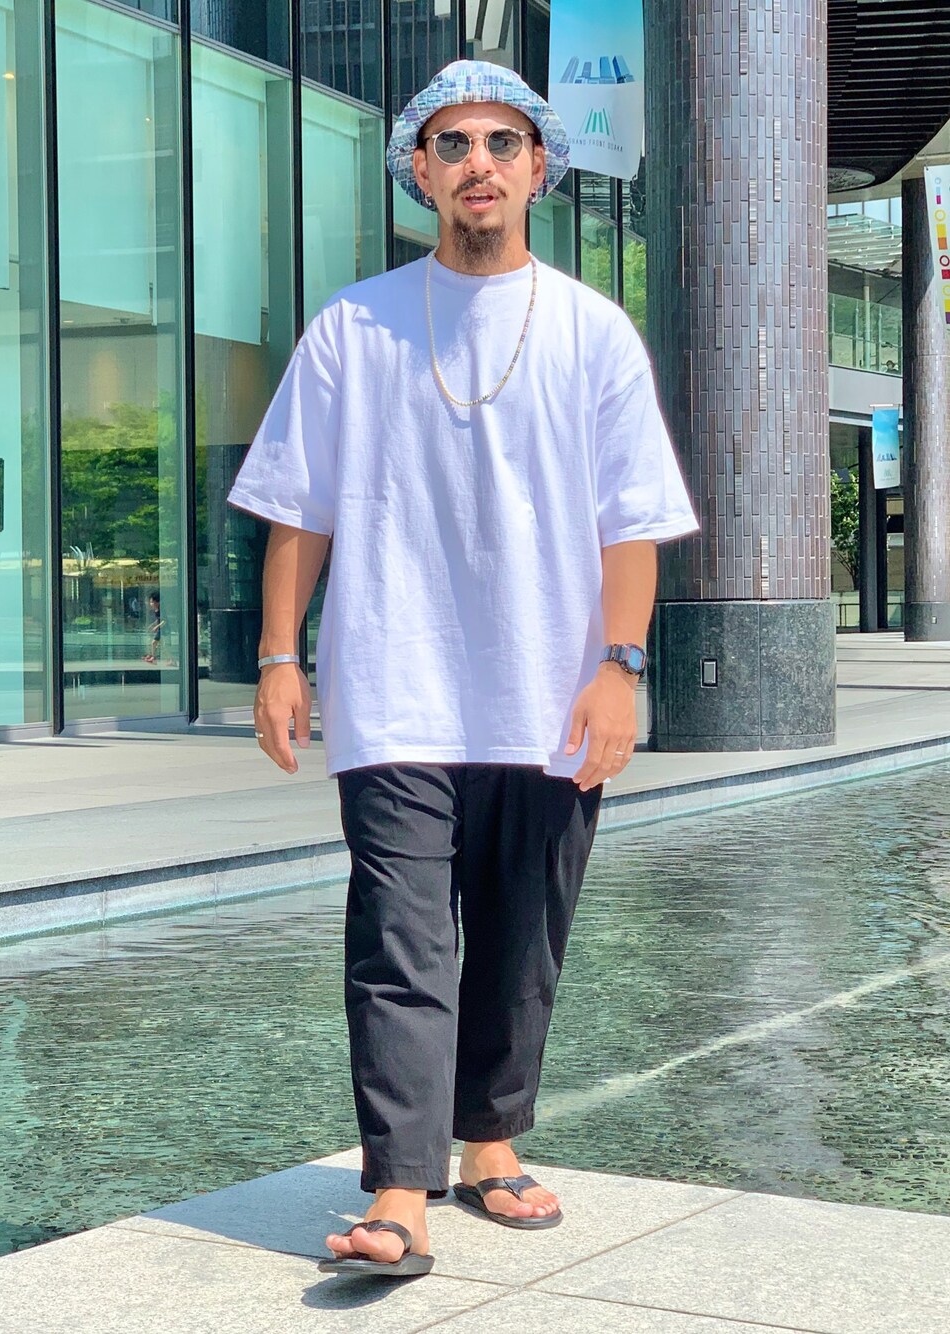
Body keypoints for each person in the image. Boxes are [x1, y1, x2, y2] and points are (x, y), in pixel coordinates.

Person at [228, 60, 698, 1279]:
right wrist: (279, 654)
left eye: (499, 141)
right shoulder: (354, 327)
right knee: (400, 939)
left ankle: (488, 1138)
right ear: (419, 171)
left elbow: (630, 524)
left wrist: (618, 667)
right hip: (394, 684)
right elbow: (300, 510)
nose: (476, 162)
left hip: (551, 693)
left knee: (522, 935)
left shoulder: (592, 331)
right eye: (451, 143)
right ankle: (399, 1188)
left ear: (538, 167)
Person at [143, 592, 165, 664]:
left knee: (154, 643)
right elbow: (158, 620)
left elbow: (164, 621)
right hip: (160, 629)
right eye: (150, 602)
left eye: (152, 602)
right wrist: (153, 625)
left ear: (157, 602)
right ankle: (171, 659)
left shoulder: (161, 610)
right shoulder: (156, 610)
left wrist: (156, 627)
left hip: (163, 629)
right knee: (162, 645)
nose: (151, 604)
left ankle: (153, 658)